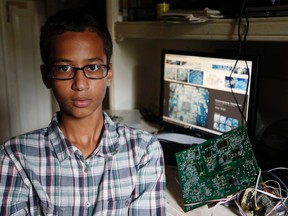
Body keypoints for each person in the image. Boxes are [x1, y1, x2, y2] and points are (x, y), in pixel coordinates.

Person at [0, 8, 166, 215]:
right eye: (64, 68)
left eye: (93, 68)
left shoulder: (143, 150)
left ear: (109, 74)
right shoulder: (16, 156)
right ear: (46, 76)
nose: (80, 84)